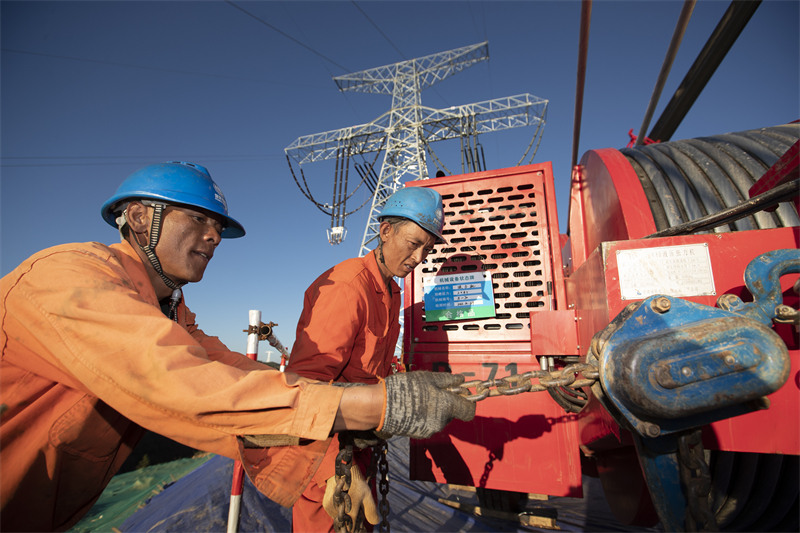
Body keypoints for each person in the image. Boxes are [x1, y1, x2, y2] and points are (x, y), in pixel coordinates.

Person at [0, 162, 475, 532]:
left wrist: (366, 413)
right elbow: (183, 382)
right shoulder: (69, 278)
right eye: (199, 219)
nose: (213, 236)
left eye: (218, 227)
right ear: (141, 218)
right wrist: (365, 415)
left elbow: (236, 373)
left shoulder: (170, 311)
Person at [275, 186, 447, 532]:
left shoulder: (391, 290)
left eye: (426, 251)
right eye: (414, 245)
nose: (418, 258)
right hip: (325, 452)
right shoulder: (347, 287)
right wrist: (334, 471)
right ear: (386, 231)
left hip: (359, 442)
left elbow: (374, 366)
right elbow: (306, 387)